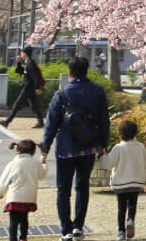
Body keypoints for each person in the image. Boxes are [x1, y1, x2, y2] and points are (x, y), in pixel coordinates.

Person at [40, 56, 110, 241]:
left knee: (63, 190)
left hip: (65, 148)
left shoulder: (61, 94)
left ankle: (66, 230)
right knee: (83, 186)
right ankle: (79, 226)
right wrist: (103, 145)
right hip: (88, 148)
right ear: (87, 71)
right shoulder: (98, 92)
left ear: (69, 72)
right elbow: (104, 121)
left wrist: (45, 148)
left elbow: (51, 124)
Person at [98, 119, 146, 241]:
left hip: (120, 184)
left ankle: (121, 232)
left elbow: (108, 164)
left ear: (120, 133)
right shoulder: (141, 147)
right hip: (136, 182)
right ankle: (131, 219)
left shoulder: (118, 148)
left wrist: (102, 155)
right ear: (135, 133)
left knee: (121, 208)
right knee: (132, 204)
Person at [0, 139, 47, 241]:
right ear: (33, 152)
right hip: (29, 197)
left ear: (17, 151)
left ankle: (12, 239)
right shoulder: (36, 163)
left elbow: (3, 181)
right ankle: (23, 237)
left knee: (13, 221)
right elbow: (42, 175)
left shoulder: (12, 164)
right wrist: (43, 161)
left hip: (14, 197)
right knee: (24, 219)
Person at [2, 46, 44, 129]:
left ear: (25, 53)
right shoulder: (27, 62)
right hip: (29, 87)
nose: (21, 54)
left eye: (22, 52)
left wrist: (37, 87)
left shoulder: (31, 63)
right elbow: (20, 71)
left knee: (17, 104)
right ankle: (40, 122)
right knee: (34, 105)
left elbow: (36, 76)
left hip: (28, 87)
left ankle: (7, 121)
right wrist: (18, 62)